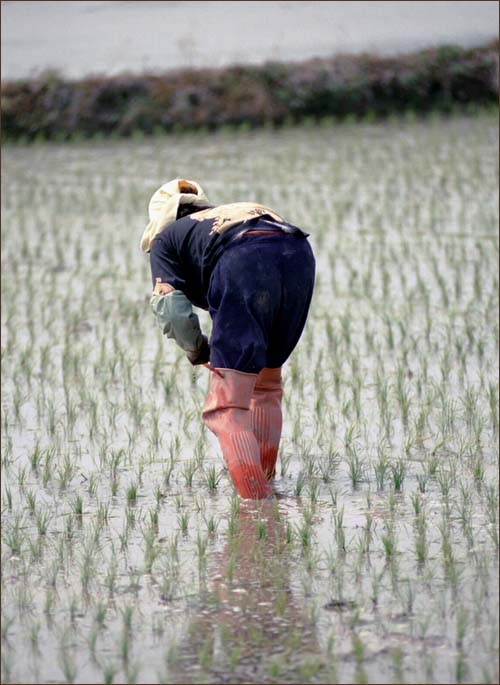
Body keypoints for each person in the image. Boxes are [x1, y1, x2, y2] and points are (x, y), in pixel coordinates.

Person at [141, 178, 315, 499]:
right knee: (265, 386)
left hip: (242, 260)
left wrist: (197, 349)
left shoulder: (166, 240)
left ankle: (256, 503)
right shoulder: (229, 214)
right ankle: (267, 484)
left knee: (225, 408)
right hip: (298, 255)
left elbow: (170, 307)